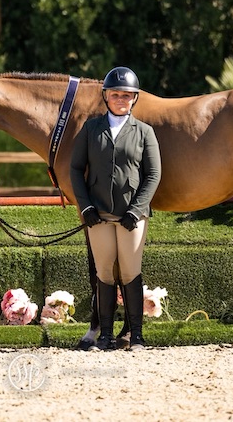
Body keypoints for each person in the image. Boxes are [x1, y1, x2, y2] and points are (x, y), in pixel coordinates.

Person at [69, 66, 161, 351]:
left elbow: (153, 174)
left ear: (134, 98)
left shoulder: (144, 132)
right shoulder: (91, 128)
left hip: (132, 216)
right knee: (105, 273)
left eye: (127, 95)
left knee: (131, 272)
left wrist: (137, 209)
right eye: (116, 94)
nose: (121, 99)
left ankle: (136, 336)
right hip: (99, 215)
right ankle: (106, 335)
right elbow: (75, 168)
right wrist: (85, 207)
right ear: (106, 96)